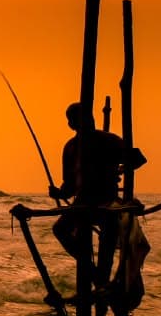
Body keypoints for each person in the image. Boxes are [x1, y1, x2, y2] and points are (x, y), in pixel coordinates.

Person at [50, 101, 144, 274]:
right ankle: (91, 269)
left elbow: (137, 159)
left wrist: (121, 168)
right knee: (60, 229)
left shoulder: (108, 140)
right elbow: (69, 186)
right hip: (82, 202)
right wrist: (58, 192)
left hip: (107, 201)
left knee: (108, 234)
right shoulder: (71, 147)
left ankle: (100, 275)